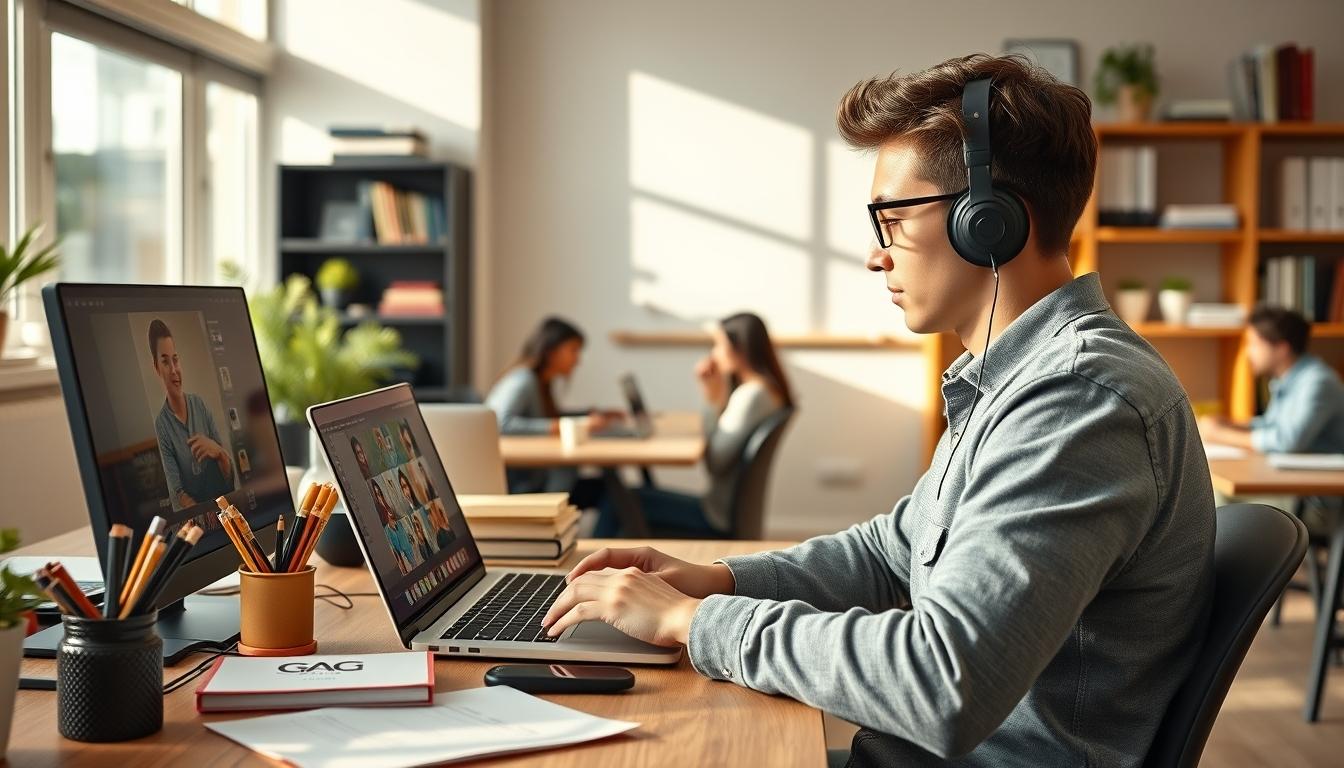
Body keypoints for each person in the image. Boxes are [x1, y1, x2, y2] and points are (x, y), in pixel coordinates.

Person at [538, 54, 1215, 767]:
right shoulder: (1015, 382)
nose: (874, 255)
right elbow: (892, 552)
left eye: (890, 218)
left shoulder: (1078, 401)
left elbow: (941, 684)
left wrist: (693, 620)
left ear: (987, 223)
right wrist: (722, 580)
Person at [593, 312, 792, 536]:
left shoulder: (753, 396)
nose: (714, 354)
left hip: (714, 518)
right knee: (626, 500)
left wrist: (710, 398)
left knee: (618, 503)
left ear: (739, 348)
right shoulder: (764, 392)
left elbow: (714, 462)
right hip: (722, 512)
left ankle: (585, 570)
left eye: (718, 344)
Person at [1198, 305, 1344, 529]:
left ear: (1282, 348)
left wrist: (1221, 434)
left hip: (1317, 503)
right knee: (1211, 494)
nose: (1248, 353)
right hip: (1295, 488)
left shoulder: (1317, 382)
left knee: (1214, 501)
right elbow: (1271, 425)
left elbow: (1287, 441)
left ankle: (1229, 564)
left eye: (1254, 344)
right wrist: (1232, 425)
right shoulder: (1289, 379)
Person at [484, 317, 611, 506]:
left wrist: (586, 415)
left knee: (608, 491)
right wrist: (567, 426)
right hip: (522, 486)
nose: (578, 360)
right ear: (551, 351)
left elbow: (545, 418)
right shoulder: (523, 381)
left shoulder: (541, 383)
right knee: (606, 493)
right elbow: (500, 424)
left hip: (535, 478)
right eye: (573, 350)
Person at [148, 318, 234, 510]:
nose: (174, 370)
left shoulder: (199, 405)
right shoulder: (162, 426)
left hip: (226, 509)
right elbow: (177, 492)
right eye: (165, 362)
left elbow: (228, 475)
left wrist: (218, 451)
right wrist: (205, 515)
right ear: (156, 368)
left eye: (175, 360)